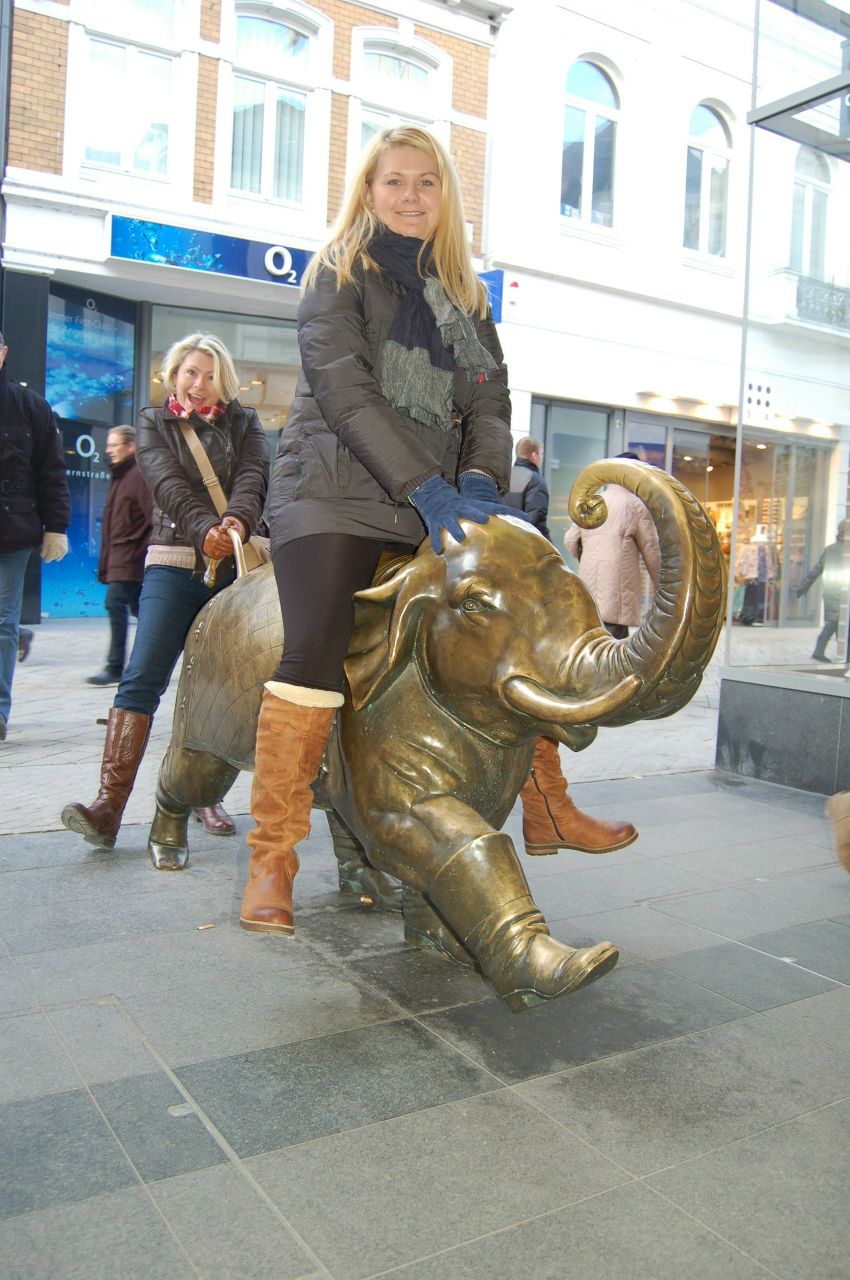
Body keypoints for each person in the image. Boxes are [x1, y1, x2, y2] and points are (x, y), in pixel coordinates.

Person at [61, 334, 269, 852]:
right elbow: (166, 484)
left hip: (236, 569)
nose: (199, 384)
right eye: (190, 372)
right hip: (174, 562)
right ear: (174, 374)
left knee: (221, 690)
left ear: (224, 380)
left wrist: (237, 520)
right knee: (142, 678)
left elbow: (254, 476)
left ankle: (203, 795)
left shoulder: (245, 422)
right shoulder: (154, 422)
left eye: (210, 375)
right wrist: (205, 530)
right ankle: (108, 807)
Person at [503, 440, 638, 856]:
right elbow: (539, 527)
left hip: (578, 580)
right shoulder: (629, 502)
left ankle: (549, 811)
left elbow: (570, 535)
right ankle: (548, 813)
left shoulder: (596, 496)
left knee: (527, 676)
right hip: (522, 574)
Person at [0, 329, 71, 742]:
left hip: (12, 533)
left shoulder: (31, 406)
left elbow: (51, 472)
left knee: (3, 623)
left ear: (4, 352)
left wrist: (56, 527)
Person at [563, 451, 660, 640]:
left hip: (589, 580)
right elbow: (652, 551)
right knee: (615, 644)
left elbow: (570, 539)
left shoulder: (594, 501)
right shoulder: (635, 505)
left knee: (591, 639)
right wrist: (663, 586)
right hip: (618, 586)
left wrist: (586, 556)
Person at [86, 426, 153, 687]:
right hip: (122, 556)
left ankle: (115, 667)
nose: (109, 450)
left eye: (114, 445)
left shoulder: (137, 476)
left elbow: (152, 518)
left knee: (115, 603)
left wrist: (142, 551)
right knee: (142, 611)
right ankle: (169, 650)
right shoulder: (121, 475)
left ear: (130, 446)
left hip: (131, 557)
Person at [796, 521, 848, 662]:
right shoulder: (841, 550)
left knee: (838, 622)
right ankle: (819, 652)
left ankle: (842, 653)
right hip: (840, 591)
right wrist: (803, 586)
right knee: (834, 622)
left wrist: (804, 586)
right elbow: (818, 569)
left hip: (832, 590)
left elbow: (816, 570)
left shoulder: (830, 549)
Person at [504, 436, 550, 539]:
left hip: (499, 540)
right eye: (542, 454)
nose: (542, 458)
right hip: (522, 543)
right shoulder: (535, 481)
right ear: (534, 456)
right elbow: (536, 522)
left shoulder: (502, 476)